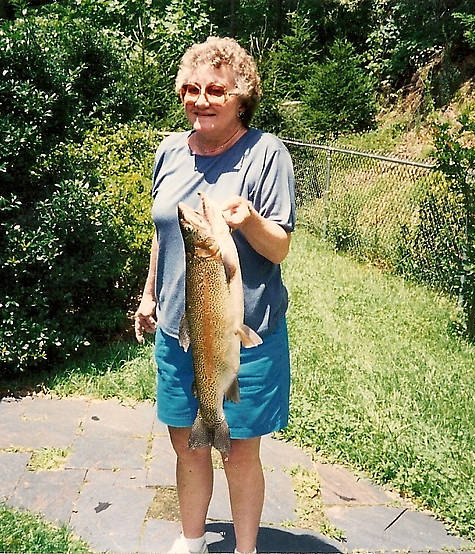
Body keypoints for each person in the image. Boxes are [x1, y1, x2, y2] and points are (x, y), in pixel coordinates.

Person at [134, 36, 296, 554]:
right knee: (186, 444)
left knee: (240, 451)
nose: (201, 99)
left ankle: (244, 549)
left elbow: (280, 249)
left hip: (242, 335)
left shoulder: (266, 154)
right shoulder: (168, 151)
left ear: (240, 95)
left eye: (215, 90)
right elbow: (166, 234)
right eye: (192, 88)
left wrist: (249, 219)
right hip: (179, 331)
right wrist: (150, 294)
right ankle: (192, 539)